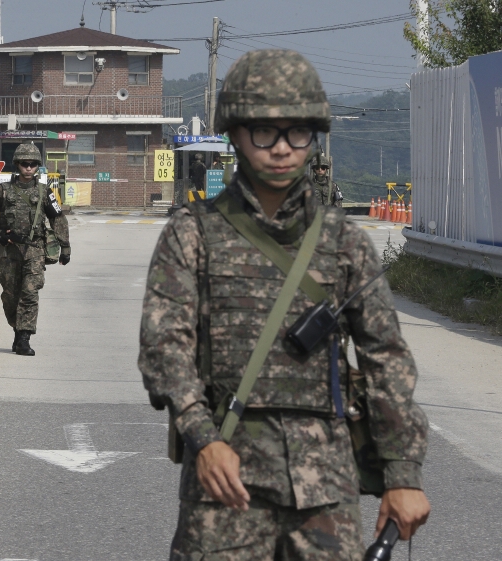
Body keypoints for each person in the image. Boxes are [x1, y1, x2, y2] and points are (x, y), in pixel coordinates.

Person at [138, 49, 430, 559]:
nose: (281, 148)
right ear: (235, 134)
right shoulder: (193, 234)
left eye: (297, 132)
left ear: (313, 136)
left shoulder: (344, 242)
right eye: (264, 132)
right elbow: (165, 349)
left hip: (325, 487)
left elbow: (386, 360)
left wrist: (402, 475)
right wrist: (203, 438)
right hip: (225, 482)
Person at [0, 142, 70, 356]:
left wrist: (65, 246)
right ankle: (17, 330)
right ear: (17, 164)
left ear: (37, 166)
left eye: (32, 164)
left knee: (30, 293)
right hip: (10, 251)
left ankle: (24, 338)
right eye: (24, 164)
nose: (28, 168)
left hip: (35, 250)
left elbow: (57, 218)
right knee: (10, 296)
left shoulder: (44, 192)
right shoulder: (3, 190)